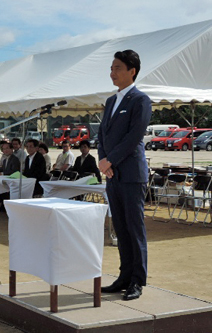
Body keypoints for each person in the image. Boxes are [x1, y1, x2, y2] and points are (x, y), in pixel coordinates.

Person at [98, 50, 152, 301]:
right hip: (112, 174)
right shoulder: (110, 102)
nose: (112, 72)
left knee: (134, 227)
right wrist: (102, 160)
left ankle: (137, 281)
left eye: (118, 67)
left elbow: (133, 137)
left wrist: (111, 159)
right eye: (111, 67)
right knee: (119, 226)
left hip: (131, 173)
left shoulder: (140, 100)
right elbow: (103, 136)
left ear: (132, 71)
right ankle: (124, 276)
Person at [0, 142, 21, 211]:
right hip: (5, 180)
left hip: (13, 181)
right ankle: (3, 204)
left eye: (7, 148)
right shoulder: (5, 160)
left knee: (0, 188)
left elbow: (14, 171)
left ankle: (5, 205)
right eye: (3, 149)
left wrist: (2, 173)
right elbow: (3, 169)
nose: (5, 150)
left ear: (12, 149)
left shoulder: (15, 159)